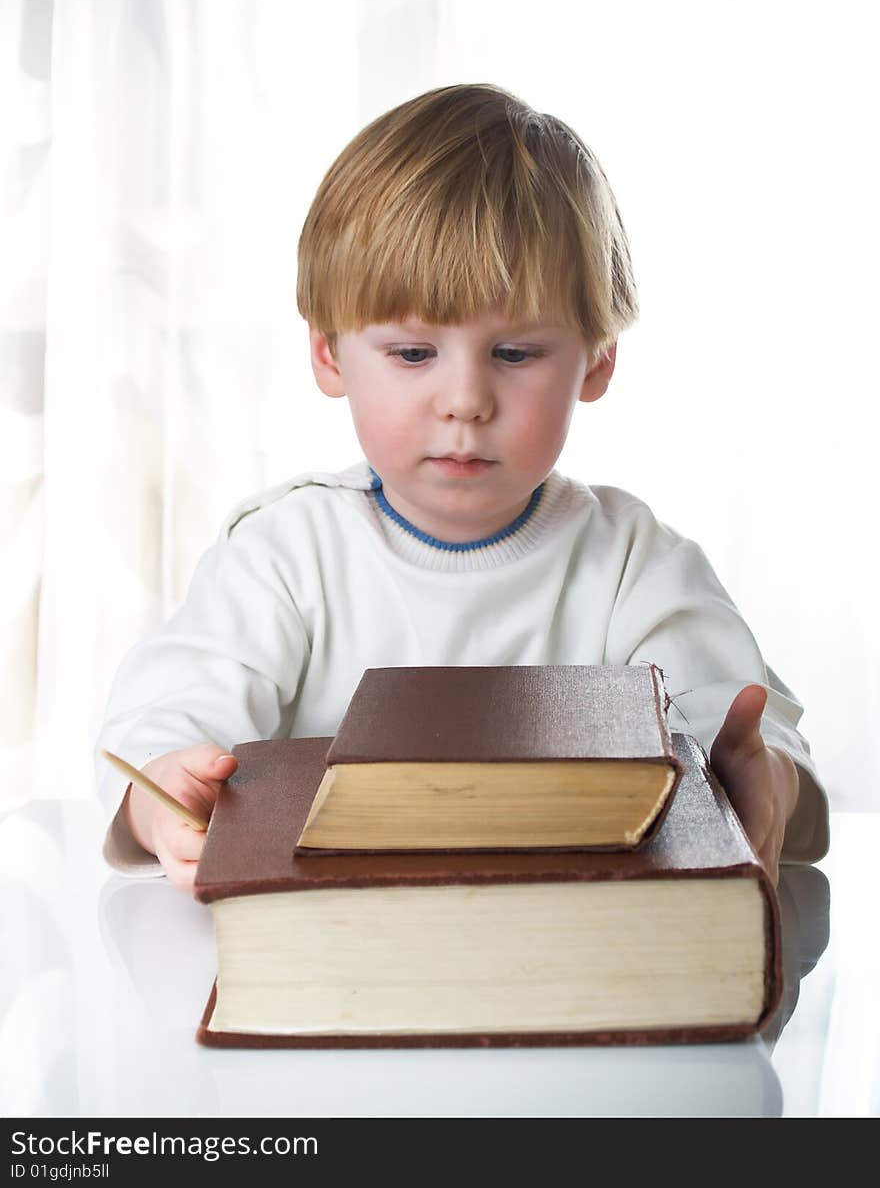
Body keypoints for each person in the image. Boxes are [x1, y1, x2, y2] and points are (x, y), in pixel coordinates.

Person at [95, 83, 829, 892]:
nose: (465, 400)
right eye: (413, 354)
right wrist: (157, 798)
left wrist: (767, 787)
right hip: (330, 957)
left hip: (566, 960)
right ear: (330, 355)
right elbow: (170, 715)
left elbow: (745, 732)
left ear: (597, 360)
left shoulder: (631, 563)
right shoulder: (286, 554)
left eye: (515, 354)